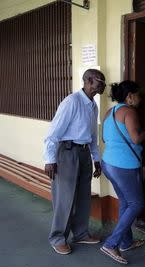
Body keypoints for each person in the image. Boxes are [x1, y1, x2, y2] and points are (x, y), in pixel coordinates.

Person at [100, 80, 145, 264]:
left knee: (126, 202)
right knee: (136, 204)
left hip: (108, 163)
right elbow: (136, 139)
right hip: (124, 166)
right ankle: (111, 244)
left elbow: (104, 137)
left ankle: (126, 242)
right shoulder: (129, 112)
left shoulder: (109, 112)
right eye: (138, 95)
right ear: (129, 97)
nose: (140, 98)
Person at [44, 69, 105, 255]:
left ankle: (80, 234)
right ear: (88, 81)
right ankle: (57, 238)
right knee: (65, 198)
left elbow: (93, 136)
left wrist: (97, 159)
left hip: (85, 153)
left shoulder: (93, 105)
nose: (103, 84)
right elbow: (53, 133)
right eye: (100, 81)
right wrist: (50, 160)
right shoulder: (72, 102)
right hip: (68, 153)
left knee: (83, 197)